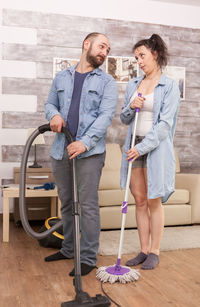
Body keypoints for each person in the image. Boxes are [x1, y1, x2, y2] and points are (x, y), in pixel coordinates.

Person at [44, 32, 118, 276]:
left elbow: (105, 117)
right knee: (66, 202)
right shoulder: (61, 77)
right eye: (101, 46)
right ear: (87, 44)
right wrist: (53, 115)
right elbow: (50, 104)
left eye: (107, 49)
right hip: (61, 150)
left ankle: (87, 257)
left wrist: (84, 143)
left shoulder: (106, 82)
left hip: (90, 153)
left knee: (87, 205)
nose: (104, 52)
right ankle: (68, 248)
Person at [120, 34, 181, 270]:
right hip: (134, 143)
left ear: (155, 54)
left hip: (154, 148)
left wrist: (141, 148)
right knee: (140, 201)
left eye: (142, 56)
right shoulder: (133, 84)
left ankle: (155, 251)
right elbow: (125, 119)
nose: (139, 61)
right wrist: (130, 106)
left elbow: (165, 125)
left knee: (154, 200)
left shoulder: (170, 86)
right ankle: (143, 250)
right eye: (136, 58)